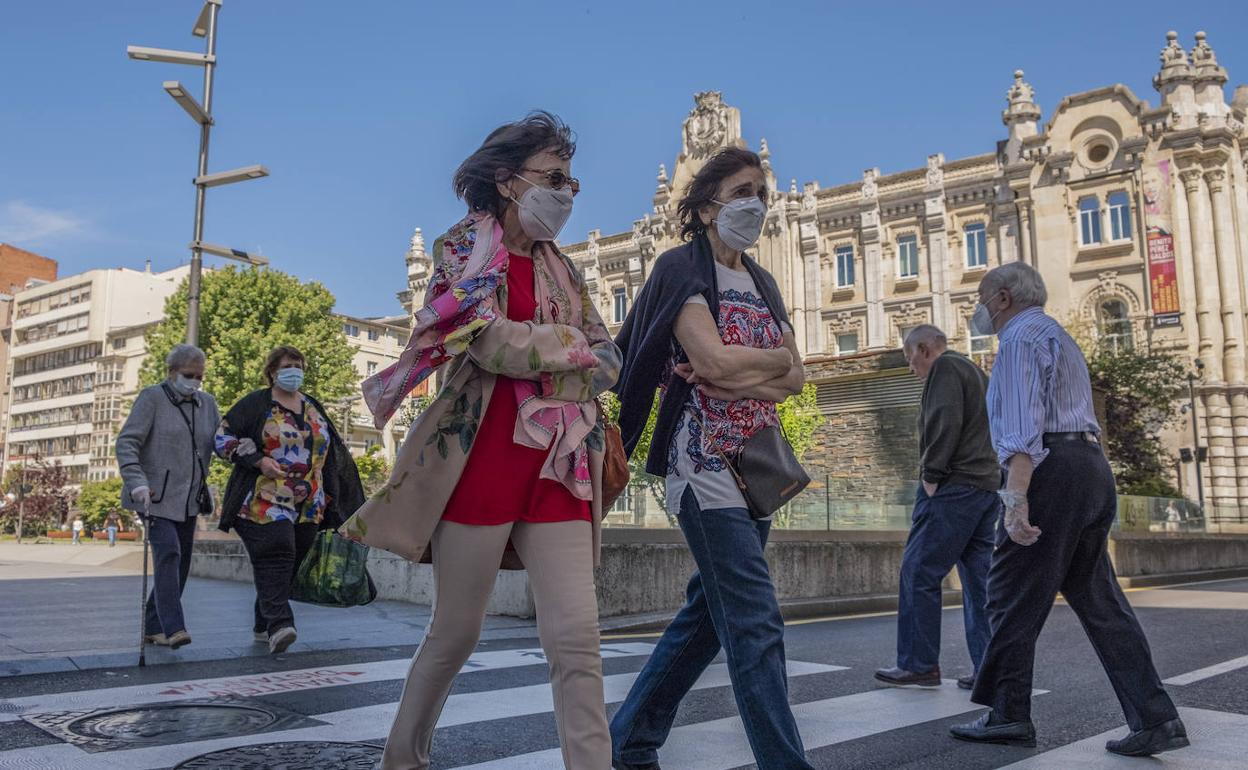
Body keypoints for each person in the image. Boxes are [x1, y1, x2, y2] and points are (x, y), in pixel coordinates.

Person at [338, 111, 620, 770]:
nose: (569, 192)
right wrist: (565, 347)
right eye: (556, 177)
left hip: (561, 466)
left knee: (577, 641)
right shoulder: (464, 245)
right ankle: (402, 758)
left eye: (573, 181)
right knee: (456, 632)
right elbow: (485, 341)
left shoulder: (564, 269)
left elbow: (610, 359)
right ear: (507, 178)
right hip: (480, 463)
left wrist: (565, 351)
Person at [609, 147, 812, 770]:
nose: (755, 203)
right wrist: (758, 365)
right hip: (700, 465)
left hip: (757, 464)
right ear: (704, 206)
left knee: (707, 615)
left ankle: (630, 739)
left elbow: (794, 377)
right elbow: (716, 363)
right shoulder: (680, 269)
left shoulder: (763, 279)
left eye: (762, 193)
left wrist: (749, 370)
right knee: (755, 621)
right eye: (743, 190)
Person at [950, 262, 1189, 757]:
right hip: (1089, 467)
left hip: (1049, 470)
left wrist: (1015, 502)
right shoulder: (1058, 336)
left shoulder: (1018, 339)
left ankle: (1008, 713)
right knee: (1098, 598)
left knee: (1009, 590)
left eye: (981, 296)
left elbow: (1023, 424)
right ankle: (1155, 716)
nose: (978, 308)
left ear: (1003, 298)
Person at [215, 345, 365, 655]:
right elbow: (222, 438)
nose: (294, 370)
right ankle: (279, 625)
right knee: (277, 551)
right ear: (272, 371)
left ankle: (262, 620)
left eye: (298, 365)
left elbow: (331, 451)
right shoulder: (256, 405)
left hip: (310, 504)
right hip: (262, 500)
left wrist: (335, 496)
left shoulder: (312, 406)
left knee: (292, 562)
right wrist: (258, 460)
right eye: (287, 365)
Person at [874, 325, 999, 691]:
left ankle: (919, 664)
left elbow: (944, 420)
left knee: (919, 570)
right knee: (979, 583)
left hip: (953, 486)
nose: (910, 366)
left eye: (909, 356)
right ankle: (989, 669)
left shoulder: (945, 369)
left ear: (925, 348)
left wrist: (931, 474)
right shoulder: (977, 372)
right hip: (985, 488)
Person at [117, 343, 220, 649]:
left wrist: (238, 448)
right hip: (153, 496)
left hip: (189, 498)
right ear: (172, 372)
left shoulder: (207, 404)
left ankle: (153, 627)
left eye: (200, 376)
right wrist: (136, 481)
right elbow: (127, 442)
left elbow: (219, 441)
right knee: (169, 553)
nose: (195, 381)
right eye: (189, 374)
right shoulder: (152, 398)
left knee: (182, 563)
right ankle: (174, 628)